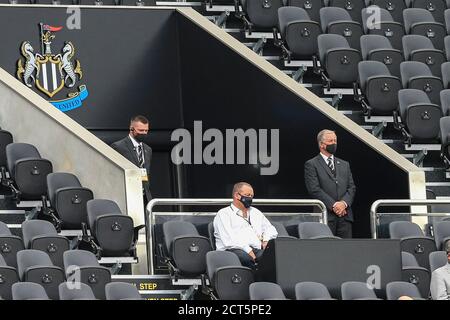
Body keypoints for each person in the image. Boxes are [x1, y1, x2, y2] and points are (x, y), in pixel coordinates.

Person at [213, 182, 278, 269]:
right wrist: (248, 250)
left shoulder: (255, 212)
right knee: (245, 258)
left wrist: (266, 240)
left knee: (273, 256)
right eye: (247, 195)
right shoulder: (224, 214)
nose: (250, 198)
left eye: (251, 196)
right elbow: (229, 240)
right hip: (232, 250)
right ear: (237, 195)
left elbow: (270, 229)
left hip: (256, 249)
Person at [304, 129, 356, 238]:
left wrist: (343, 204)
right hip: (325, 216)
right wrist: (334, 205)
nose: (334, 143)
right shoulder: (312, 164)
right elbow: (314, 189)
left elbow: (351, 188)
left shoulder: (344, 164)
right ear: (321, 145)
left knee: (346, 251)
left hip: (345, 216)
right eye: (330, 141)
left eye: (335, 141)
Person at [111, 115, 152, 204]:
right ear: (131, 129)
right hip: (128, 196)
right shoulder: (119, 147)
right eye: (141, 130)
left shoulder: (148, 149)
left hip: (145, 197)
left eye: (146, 130)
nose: (144, 133)